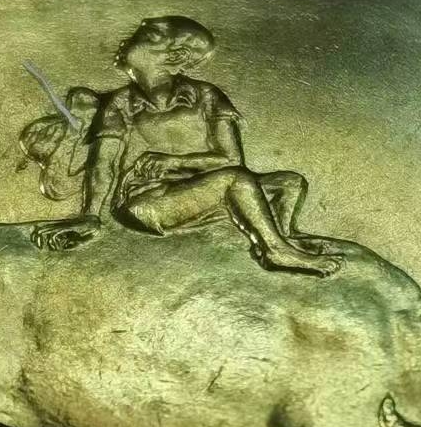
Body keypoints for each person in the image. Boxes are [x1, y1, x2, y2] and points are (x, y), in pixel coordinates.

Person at [20, 16, 339, 275]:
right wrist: (90, 215)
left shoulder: (207, 96)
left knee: (290, 183)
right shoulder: (120, 103)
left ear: (176, 57)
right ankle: (275, 250)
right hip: (145, 203)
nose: (127, 40)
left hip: (202, 191)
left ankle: (280, 239)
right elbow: (104, 164)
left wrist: (174, 162)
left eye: (145, 37)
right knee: (235, 181)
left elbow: (231, 158)